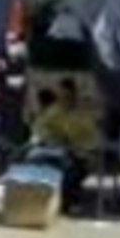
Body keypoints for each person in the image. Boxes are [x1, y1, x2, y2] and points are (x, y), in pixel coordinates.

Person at [29, 78, 100, 213]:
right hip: (57, 153)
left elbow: (91, 142)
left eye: (67, 96)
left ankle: (67, 202)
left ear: (74, 96)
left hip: (80, 157)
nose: (64, 100)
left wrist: (80, 150)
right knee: (36, 161)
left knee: (69, 170)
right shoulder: (54, 112)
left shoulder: (82, 116)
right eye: (61, 96)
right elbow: (39, 129)